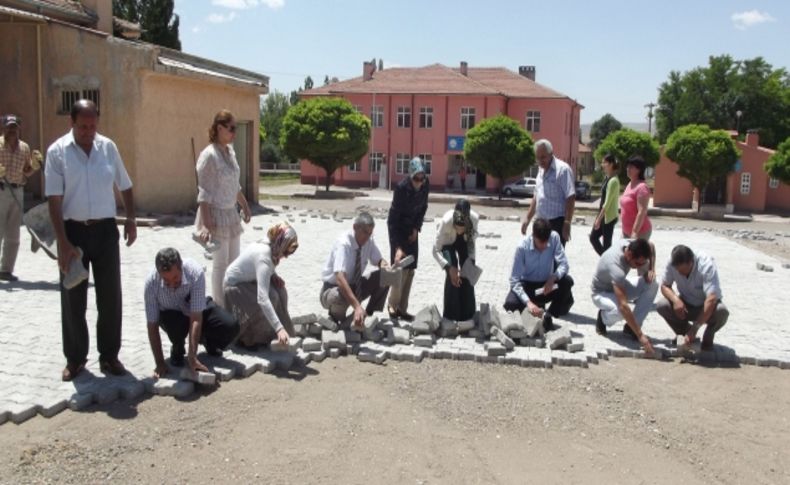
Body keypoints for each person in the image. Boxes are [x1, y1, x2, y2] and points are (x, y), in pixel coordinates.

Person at [45, 99, 137, 381]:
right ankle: (75, 359)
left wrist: (131, 218)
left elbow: (125, 184)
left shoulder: (107, 147)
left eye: (93, 126)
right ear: (71, 123)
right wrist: (62, 241)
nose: (88, 131)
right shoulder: (57, 152)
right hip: (73, 232)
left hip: (106, 230)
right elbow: (54, 198)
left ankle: (109, 356)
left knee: (110, 295)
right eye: (83, 126)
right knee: (73, 296)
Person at [144, 248, 240, 378]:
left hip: (196, 310)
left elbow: (196, 317)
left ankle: (207, 341)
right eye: (166, 281)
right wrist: (159, 362)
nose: (172, 285)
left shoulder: (194, 272)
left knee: (231, 325)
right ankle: (177, 348)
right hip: (172, 317)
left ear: (181, 267)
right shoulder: (151, 283)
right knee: (175, 325)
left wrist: (192, 356)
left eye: (175, 278)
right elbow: (152, 326)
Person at [195, 109, 252, 308]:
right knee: (220, 264)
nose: (234, 133)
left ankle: (232, 303)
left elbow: (234, 184)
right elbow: (204, 191)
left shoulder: (231, 152)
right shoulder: (209, 155)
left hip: (231, 213)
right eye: (231, 128)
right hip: (216, 214)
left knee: (234, 263)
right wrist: (205, 222)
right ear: (219, 128)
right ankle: (221, 307)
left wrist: (244, 205)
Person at [223, 222, 298, 348]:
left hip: (247, 281)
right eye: (285, 252)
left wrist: (274, 275)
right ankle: (248, 338)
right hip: (233, 288)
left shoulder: (270, 245)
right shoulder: (264, 256)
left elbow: (265, 267)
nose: (285, 256)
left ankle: (280, 333)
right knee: (271, 297)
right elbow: (262, 298)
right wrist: (279, 327)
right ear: (280, 242)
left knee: (280, 291)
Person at [320, 212, 390, 328]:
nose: (367, 237)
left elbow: (378, 260)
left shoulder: (369, 240)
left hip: (355, 286)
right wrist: (357, 306)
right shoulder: (343, 244)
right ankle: (336, 319)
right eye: (365, 232)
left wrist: (385, 266)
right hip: (332, 289)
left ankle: (368, 315)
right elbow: (340, 279)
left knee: (386, 276)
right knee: (338, 296)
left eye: (370, 233)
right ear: (355, 227)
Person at [505, 217, 574, 330]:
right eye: (539, 243)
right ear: (533, 236)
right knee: (510, 303)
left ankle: (548, 315)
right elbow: (514, 280)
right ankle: (530, 314)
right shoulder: (522, 247)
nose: (543, 247)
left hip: (546, 287)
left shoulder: (554, 238)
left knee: (567, 282)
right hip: (528, 287)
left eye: (545, 243)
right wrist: (528, 302)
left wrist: (553, 277)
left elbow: (564, 264)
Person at [591, 238, 658, 354]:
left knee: (652, 284)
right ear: (629, 255)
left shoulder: (629, 244)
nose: (639, 267)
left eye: (642, 264)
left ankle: (631, 329)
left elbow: (651, 245)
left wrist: (651, 269)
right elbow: (623, 305)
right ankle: (602, 318)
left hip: (619, 284)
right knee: (620, 311)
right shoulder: (615, 266)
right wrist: (641, 336)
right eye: (637, 263)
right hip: (601, 292)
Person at [657, 245, 729, 351]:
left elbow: (712, 299)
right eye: (677, 270)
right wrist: (676, 300)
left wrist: (695, 328)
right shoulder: (672, 262)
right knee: (662, 305)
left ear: (691, 262)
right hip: (686, 304)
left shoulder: (706, 264)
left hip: (706, 307)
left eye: (683, 270)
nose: (680, 273)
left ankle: (707, 339)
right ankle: (685, 334)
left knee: (722, 312)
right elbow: (664, 286)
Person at [387, 156, 429, 321]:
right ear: (411, 176)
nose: (420, 181)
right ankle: (392, 305)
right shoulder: (401, 188)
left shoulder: (426, 184)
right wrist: (397, 247)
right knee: (399, 268)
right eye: (417, 178)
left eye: (422, 177)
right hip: (398, 228)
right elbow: (393, 220)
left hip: (412, 228)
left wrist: (416, 228)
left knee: (410, 270)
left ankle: (402, 309)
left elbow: (423, 207)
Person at [0, 114, 37, 281]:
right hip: (1, 190)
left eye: (14, 127)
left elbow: (26, 171)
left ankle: (6, 270)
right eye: (9, 127)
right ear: (4, 128)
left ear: (19, 128)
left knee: (13, 234)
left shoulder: (24, 148)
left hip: (18, 190)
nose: (12, 130)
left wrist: (35, 166)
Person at [521, 139, 575, 246]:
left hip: (556, 223)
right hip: (540, 223)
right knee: (538, 258)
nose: (540, 161)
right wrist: (527, 219)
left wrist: (567, 223)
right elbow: (536, 197)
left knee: (555, 259)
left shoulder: (563, 170)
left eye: (543, 157)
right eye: (538, 158)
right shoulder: (540, 171)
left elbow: (570, 196)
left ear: (551, 154)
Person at [433, 199, 479, 321]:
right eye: (457, 227)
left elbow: (471, 246)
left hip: (464, 243)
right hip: (448, 244)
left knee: (468, 274)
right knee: (452, 274)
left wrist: (471, 265)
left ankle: (468, 315)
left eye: (462, 228)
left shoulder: (474, 220)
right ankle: (451, 315)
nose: (459, 231)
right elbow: (436, 250)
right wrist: (448, 267)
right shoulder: (446, 221)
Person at [589, 154, 620, 256]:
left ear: (611, 164)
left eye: (604, 163)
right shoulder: (607, 178)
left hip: (608, 217)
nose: (602, 165)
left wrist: (599, 219)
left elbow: (607, 203)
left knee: (607, 245)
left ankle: (607, 263)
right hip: (603, 215)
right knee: (593, 237)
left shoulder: (613, 181)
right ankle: (606, 260)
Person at [620, 156, 652, 239]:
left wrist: (634, 231)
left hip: (639, 232)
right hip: (626, 231)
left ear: (638, 170)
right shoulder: (629, 184)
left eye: (631, 167)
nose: (627, 169)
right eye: (627, 166)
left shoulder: (642, 187)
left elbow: (642, 211)